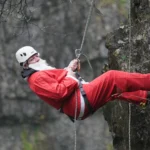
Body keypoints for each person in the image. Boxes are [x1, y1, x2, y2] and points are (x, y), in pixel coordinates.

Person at [16, 46, 150, 121]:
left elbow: (59, 79)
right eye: (32, 58)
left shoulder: (39, 73)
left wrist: (69, 68)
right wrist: (70, 76)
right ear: (26, 64)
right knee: (112, 77)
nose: (37, 58)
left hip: (79, 103)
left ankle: (143, 97)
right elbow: (59, 92)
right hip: (79, 102)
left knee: (111, 90)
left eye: (36, 55)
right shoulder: (36, 78)